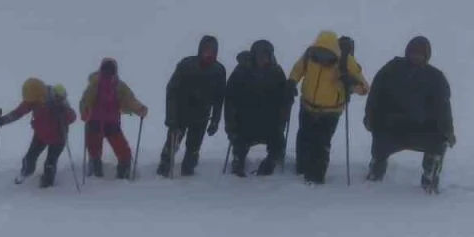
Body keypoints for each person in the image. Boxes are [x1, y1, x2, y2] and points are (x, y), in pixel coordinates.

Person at [364, 36, 456, 193]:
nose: (416, 56)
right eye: (413, 52)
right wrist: (370, 118)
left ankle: (430, 178)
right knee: (380, 139)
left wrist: (448, 131)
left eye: (421, 54)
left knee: (439, 141)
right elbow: (375, 96)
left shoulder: (436, 78)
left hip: (422, 130)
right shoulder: (391, 69)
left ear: (427, 56)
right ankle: (376, 170)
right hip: (391, 127)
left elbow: (443, 109)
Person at [287, 31, 369, 184]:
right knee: (304, 138)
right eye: (319, 53)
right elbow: (298, 69)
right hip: (307, 106)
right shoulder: (309, 55)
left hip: (331, 112)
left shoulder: (347, 62)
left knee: (322, 143)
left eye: (326, 55)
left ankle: (316, 177)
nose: (322, 59)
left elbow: (364, 89)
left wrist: (351, 81)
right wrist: (291, 82)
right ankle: (302, 169)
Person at [158, 35, 227, 177]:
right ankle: (163, 170)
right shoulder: (186, 65)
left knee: (194, 148)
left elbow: (219, 98)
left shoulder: (219, 70)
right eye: (206, 49)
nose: (208, 53)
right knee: (171, 145)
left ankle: (188, 173)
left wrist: (215, 119)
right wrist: (171, 116)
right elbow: (172, 91)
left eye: (212, 50)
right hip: (180, 114)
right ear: (200, 49)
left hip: (201, 117)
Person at [0, 78, 77, 188]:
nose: (31, 102)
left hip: (58, 138)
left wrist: (63, 111)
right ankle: (25, 173)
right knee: (29, 158)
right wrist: (2, 121)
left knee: (50, 163)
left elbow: (72, 117)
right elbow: (18, 113)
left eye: (32, 99)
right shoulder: (33, 99)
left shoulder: (57, 99)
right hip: (40, 135)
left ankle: (47, 184)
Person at [223, 40, 291, 177]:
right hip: (246, 120)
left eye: (265, 55)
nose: (262, 58)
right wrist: (231, 124)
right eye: (259, 55)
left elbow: (284, 99)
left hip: (269, 121)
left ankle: (271, 161)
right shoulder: (242, 70)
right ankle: (238, 159)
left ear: (270, 55)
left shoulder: (276, 72)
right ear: (253, 55)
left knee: (278, 144)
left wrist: (289, 95)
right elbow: (230, 98)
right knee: (239, 141)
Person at [79, 58, 148, 179]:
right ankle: (104, 175)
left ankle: (107, 174)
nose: (108, 73)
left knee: (119, 151)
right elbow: (85, 101)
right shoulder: (96, 84)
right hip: (98, 122)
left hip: (107, 122)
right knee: (99, 151)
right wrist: (85, 111)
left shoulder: (117, 86)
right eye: (106, 70)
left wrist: (139, 109)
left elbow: (129, 100)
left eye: (110, 70)